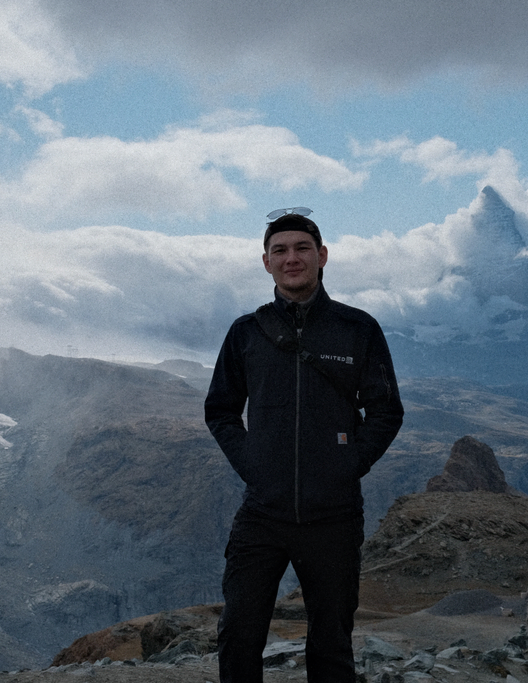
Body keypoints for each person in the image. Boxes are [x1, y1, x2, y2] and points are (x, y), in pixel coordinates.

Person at [205, 208, 404, 683]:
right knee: (238, 635)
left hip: (333, 515)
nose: (291, 258)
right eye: (280, 250)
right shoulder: (246, 333)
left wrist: (348, 464)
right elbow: (221, 410)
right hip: (262, 514)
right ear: (266, 262)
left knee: (332, 643)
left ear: (322, 256)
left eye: (301, 248)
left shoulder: (358, 330)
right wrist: (253, 463)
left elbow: (386, 411)